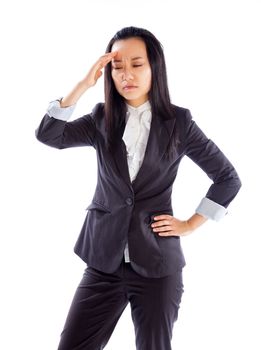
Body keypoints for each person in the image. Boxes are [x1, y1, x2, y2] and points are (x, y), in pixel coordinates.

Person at [35, 26, 241, 350]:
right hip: (103, 263)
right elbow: (50, 135)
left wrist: (189, 224)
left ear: (154, 68)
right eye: (118, 67)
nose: (126, 75)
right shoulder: (101, 118)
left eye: (137, 64)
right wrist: (82, 85)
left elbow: (228, 177)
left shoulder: (179, 122)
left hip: (158, 267)